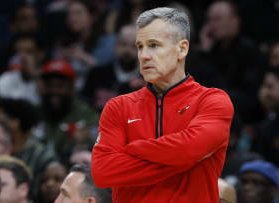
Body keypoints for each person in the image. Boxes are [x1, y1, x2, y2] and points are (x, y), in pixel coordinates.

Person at [91, 7, 234, 203]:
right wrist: (183, 160)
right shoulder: (118, 106)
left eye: (154, 45)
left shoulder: (212, 100)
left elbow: (188, 150)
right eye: (140, 46)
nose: (143, 56)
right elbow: (102, 172)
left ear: (182, 48)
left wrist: (131, 149)